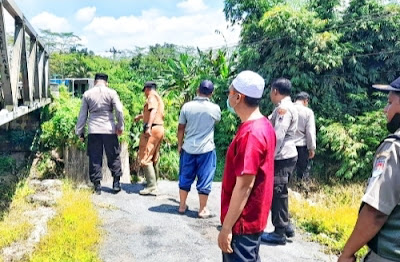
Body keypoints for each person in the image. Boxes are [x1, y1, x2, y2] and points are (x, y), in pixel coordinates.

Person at [338, 77, 400, 262]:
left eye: (389, 103)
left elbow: (376, 211)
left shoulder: (394, 148)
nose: (385, 110)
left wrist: (347, 253)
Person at [218, 70, 276, 261]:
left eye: (229, 92)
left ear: (238, 97)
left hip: (242, 223)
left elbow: (244, 185)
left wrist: (226, 228)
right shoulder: (264, 125)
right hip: (253, 219)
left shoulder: (251, 134)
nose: (228, 96)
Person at [262, 78, 298, 245]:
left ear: (275, 91)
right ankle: (286, 225)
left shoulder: (283, 109)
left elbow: (278, 136)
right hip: (285, 154)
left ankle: (279, 232)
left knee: (278, 192)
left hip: (282, 155)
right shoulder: (286, 107)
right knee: (279, 190)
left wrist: (269, 156)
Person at [177, 80, 221, 218]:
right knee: (205, 178)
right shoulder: (215, 108)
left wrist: (179, 145)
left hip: (188, 147)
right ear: (211, 93)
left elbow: (181, 128)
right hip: (206, 149)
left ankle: (182, 205)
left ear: (197, 90)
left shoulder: (187, 107)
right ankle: (202, 210)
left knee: (185, 176)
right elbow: (217, 121)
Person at [75, 73, 124, 195]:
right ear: (106, 82)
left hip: (94, 130)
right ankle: (116, 183)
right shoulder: (112, 93)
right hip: (109, 129)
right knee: (113, 155)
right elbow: (119, 110)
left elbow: (82, 115)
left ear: (95, 81)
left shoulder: (87, 94)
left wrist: (79, 132)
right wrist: (120, 126)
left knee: (95, 157)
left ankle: (97, 186)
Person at [134, 81, 165, 195]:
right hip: (159, 128)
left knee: (145, 156)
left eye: (145, 91)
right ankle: (153, 182)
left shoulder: (151, 97)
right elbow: (155, 112)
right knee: (154, 156)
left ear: (147, 89)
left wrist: (148, 126)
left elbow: (153, 111)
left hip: (152, 129)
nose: (145, 94)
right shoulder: (158, 98)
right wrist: (141, 116)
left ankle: (151, 186)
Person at [293, 92, 316, 184]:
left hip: (287, 145)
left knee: (285, 172)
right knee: (303, 172)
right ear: (306, 101)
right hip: (301, 146)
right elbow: (310, 132)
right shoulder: (308, 112)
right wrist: (311, 148)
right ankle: (302, 190)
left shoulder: (286, 108)